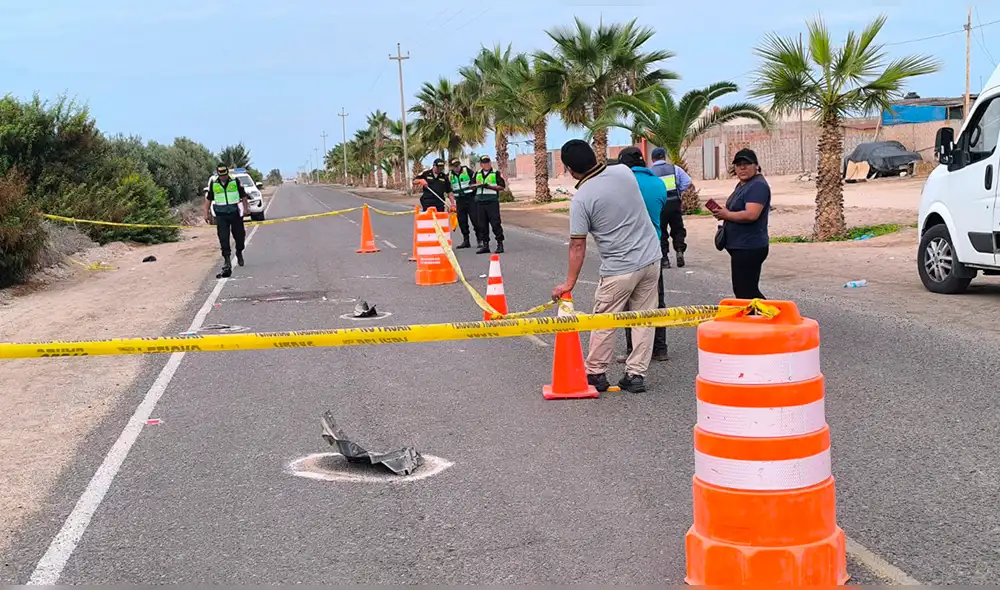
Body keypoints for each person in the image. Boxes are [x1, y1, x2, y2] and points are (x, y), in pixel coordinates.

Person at [552, 140, 662, 394]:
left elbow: (577, 245)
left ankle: (596, 373)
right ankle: (635, 375)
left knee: (605, 319)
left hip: (619, 268)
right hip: (650, 259)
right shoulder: (624, 172)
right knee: (644, 318)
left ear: (570, 170)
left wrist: (569, 283)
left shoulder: (582, 199)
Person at [616, 147, 670, 363]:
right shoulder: (658, 183)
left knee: (630, 303)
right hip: (654, 248)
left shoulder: (622, 184)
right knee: (657, 300)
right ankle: (660, 348)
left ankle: (633, 349)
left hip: (628, 250)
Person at [712, 148, 770, 299]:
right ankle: (759, 314)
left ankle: (772, 313)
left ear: (756, 165)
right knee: (743, 290)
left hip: (750, 246)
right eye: (738, 165)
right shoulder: (743, 185)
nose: (742, 168)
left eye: (746, 164)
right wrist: (723, 212)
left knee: (747, 292)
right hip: (740, 245)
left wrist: (727, 215)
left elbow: (751, 214)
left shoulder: (757, 186)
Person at [204, 163, 250, 279]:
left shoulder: (235, 181)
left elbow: (243, 195)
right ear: (218, 174)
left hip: (235, 213)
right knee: (223, 238)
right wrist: (206, 213)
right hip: (221, 215)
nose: (223, 177)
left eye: (224, 175)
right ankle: (227, 260)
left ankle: (239, 251)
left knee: (240, 236)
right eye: (221, 175)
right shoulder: (214, 183)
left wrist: (245, 209)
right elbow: (208, 199)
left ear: (227, 173)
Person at [649, 147, 692, 268]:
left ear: (652, 159)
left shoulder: (651, 172)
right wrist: (678, 191)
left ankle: (665, 259)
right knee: (678, 228)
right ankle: (679, 250)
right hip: (674, 203)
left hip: (660, 205)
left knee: (661, 231)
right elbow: (687, 181)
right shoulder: (674, 168)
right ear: (664, 157)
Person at [473, 155, 507, 254]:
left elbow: (502, 186)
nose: (486, 164)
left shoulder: (496, 173)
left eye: (488, 162)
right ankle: (485, 245)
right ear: (481, 164)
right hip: (480, 202)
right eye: (484, 163)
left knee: (495, 224)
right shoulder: (477, 174)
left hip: (492, 202)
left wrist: (489, 187)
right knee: (482, 225)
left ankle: (500, 244)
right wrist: (477, 185)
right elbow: (471, 185)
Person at [449, 158, 482, 249]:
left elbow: (476, 179)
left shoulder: (466, 170)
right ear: (451, 167)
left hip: (470, 199)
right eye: (455, 166)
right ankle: (466, 241)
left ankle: (480, 240)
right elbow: (448, 188)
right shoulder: (450, 175)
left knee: (475, 220)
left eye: (458, 165)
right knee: (462, 222)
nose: (457, 167)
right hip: (459, 200)